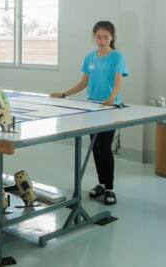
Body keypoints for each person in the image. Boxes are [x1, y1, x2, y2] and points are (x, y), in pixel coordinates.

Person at [51, 20, 128, 205]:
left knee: (105, 148)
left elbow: (119, 81)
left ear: (112, 37)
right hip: (91, 108)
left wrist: (111, 98)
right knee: (95, 147)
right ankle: (100, 184)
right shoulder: (90, 58)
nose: (102, 40)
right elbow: (83, 82)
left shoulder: (117, 57)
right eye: (99, 37)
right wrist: (64, 94)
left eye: (106, 37)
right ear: (94, 37)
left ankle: (109, 188)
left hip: (109, 108)